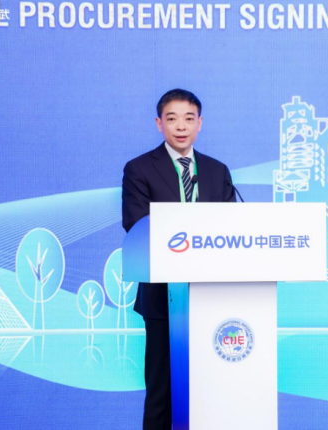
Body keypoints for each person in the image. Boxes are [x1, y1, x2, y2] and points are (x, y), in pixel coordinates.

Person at [122, 88, 236, 430]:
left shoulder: (217, 171)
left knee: (210, 390)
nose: (181, 126)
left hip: (212, 297)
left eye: (189, 118)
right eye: (172, 119)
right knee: (162, 391)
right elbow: (137, 225)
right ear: (159, 124)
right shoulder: (140, 169)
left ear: (200, 123)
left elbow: (233, 228)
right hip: (163, 296)